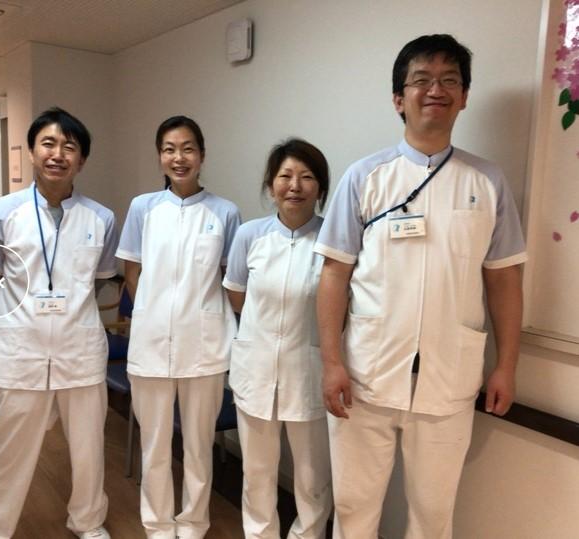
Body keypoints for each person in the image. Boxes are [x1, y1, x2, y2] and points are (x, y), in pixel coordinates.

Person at [314, 34, 527, 539]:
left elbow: (503, 280)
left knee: (433, 518)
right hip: (365, 377)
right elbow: (334, 275)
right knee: (354, 509)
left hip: (448, 382)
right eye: (422, 80)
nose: (436, 90)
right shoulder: (365, 177)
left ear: (465, 96)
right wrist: (331, 362)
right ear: (399, 98)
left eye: (450, 80)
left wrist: (506, 365)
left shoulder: (487, 181)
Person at [0, 107, 118, 539]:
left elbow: (101, 277)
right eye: (48, 144)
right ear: (32, 152)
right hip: (22, 348)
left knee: (89, 448)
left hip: (79, 348)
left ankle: (88, 521)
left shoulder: (101, 218)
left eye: (69, 147)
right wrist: (26, 302)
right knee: (7, 447)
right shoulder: (1, 212)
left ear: (81, 160)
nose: (58, 154)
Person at [116, 115, 241, 539]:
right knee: (153, 444)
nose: (179, 157)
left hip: (204, 345)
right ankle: (157, 524)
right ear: (160, 156)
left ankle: (192, 523)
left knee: (198, 445)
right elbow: (132, 269)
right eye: (169, 149)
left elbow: (228, 277)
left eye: (188, 148)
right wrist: (150, 310)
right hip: (150, 343)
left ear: (202, 155)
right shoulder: (143, 207)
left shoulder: (225, 212)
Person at [223, 139, 334, 539]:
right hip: (255, 369)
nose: (295, 186)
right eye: (285, 176)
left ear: (320, 188)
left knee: (312, 476)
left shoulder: (332, 240)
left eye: (307, 177)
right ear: (271, 185)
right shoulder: (249, 235)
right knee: (257, 472)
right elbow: (237, 296)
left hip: (309, 371)